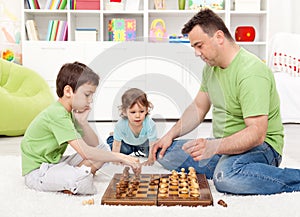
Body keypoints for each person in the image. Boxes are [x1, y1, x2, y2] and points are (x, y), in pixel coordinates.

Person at [152, 9, 300, 195]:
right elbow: (198, 107)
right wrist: (169, 135)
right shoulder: (210, 69)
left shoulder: (251, 72)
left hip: (261, 148)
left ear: (219, 37)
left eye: (199, 45)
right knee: (166, 152)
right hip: (224, 146)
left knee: (225, 178)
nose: (197, 53)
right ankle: (236, 169)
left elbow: (257, 134)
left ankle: (286, 176)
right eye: (194, 48)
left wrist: (214, 147)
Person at [21, 61, 141, 195]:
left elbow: (95, 145)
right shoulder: (57, 114)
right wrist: (121, 157)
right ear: (68, 91)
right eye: (87, 94)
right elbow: (86, 152)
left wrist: (83, 122)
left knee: (102, 151)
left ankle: (71, 176)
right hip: (38, 172)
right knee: (83, 181)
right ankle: (73, 178)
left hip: (54, 164)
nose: (90, 100)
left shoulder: (67, 113)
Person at [107, 88, 157, 166]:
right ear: (124, 112)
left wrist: (150, 159)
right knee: (117, 150)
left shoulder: (150, 124)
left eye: (141, 111)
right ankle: (113, 136)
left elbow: (152, 144)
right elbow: (116, 145)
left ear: (146, 110)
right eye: (133, 112)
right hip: (126, 143)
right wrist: (116, 160)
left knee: (155, 151)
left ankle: (155, 139)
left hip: (143, 144)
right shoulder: (120, 125)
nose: (137, 116)